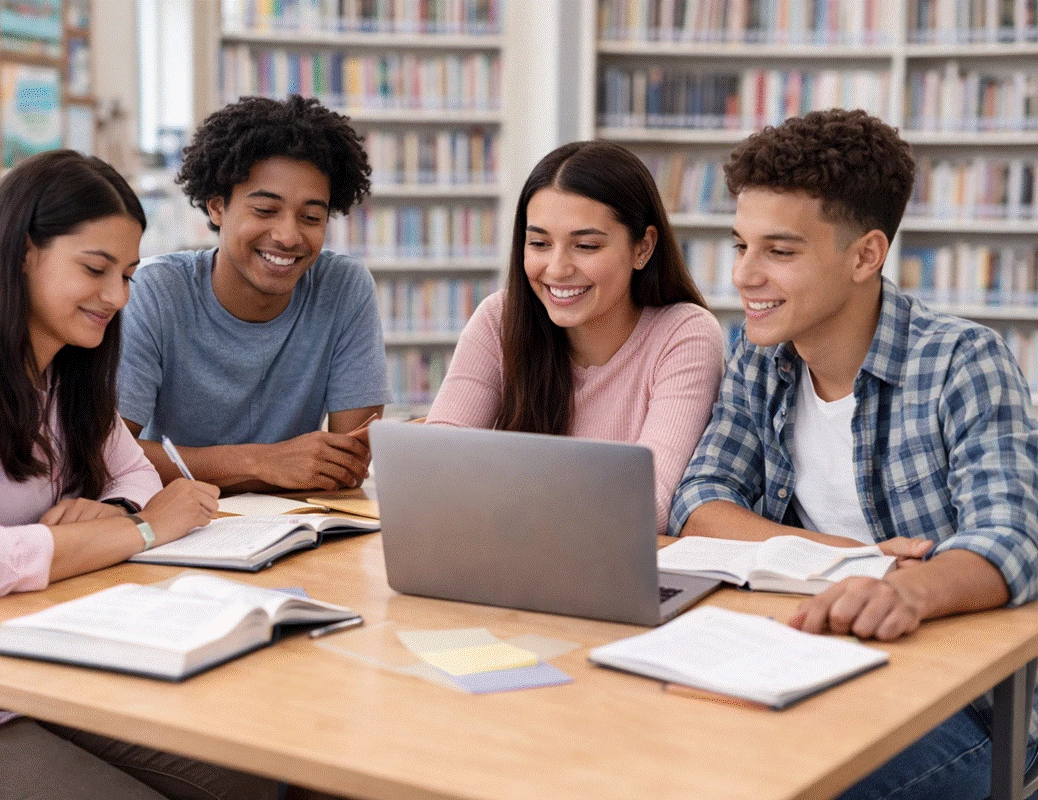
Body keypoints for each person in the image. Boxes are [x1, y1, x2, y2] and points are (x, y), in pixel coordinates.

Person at [0, 150, 282, 800]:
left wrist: (117, 513)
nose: (118, 297)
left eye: (127, 275)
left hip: (27, 670)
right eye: (95, 269)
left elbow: (136, 478)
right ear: (24, 252)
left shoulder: (66, 367)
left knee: (259, 780)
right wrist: (136, 533)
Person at [670, 109, 1038, 799]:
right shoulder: (759, 357)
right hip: (814, 658)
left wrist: (903, 590)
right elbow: (701, 500)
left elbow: (1011, 539)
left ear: (866, 256)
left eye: (779, 252)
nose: (744, 275)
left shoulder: (962, 361)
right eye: (740, 245)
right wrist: (856, 559)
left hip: (968, 707)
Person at [426, 140, 725, 533]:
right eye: (539, 244)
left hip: (610, 562)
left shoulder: (685, 334)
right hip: (508, 551)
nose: (557, 268)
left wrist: (492, 490)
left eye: (585, 245)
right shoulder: (500, 318)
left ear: (643, 247)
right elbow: (434, 471)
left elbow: (646, 505)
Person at [118, 95, 390, 493]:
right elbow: (110, 456)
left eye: (311, 217)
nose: (288, 236)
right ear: (217, 208)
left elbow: (346, 464)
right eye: (265, 210)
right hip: (183, 519)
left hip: (296, 520)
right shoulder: (155, 293)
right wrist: (261, 462)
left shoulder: (343, 288)